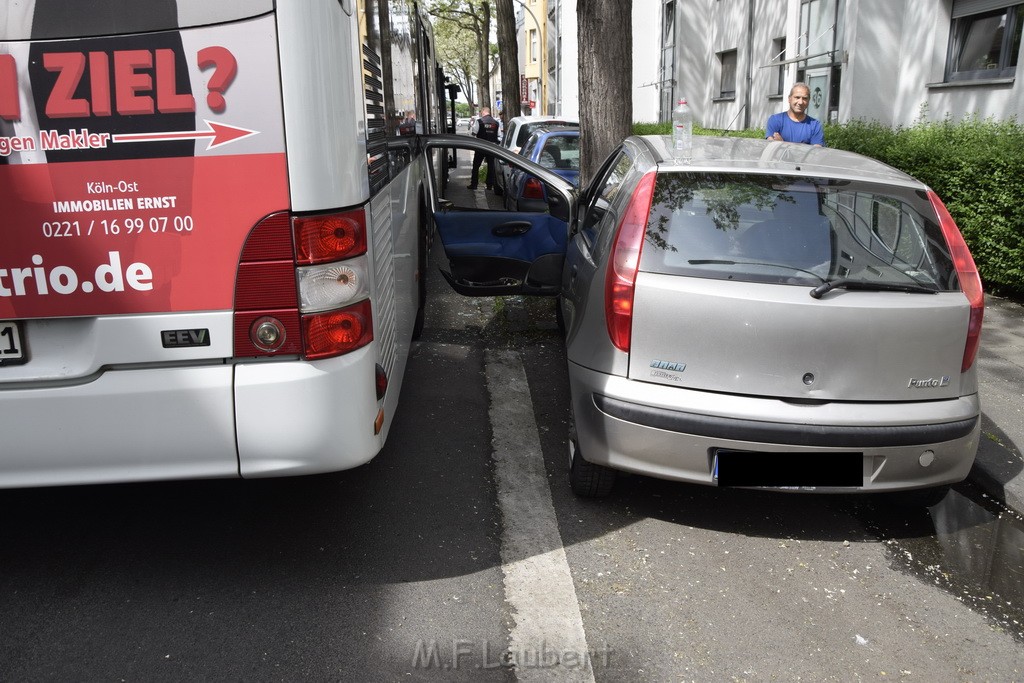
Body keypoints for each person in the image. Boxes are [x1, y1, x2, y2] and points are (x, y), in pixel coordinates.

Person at [468, 106, 500, 190]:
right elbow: (499, 136)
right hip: (492, 147)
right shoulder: (496, 123)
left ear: (483, 112)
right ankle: (489, 185)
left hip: (481, 146)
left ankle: (474, 184)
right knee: (491, 166)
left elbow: (474, 132)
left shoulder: (479, 121)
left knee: (476, 165)